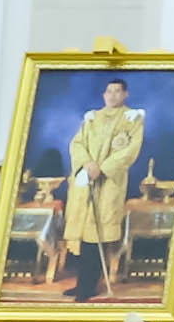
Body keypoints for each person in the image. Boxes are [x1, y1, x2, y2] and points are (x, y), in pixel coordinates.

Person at [64, 78, 150, 302]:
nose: (112, 95)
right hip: (87, 179)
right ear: (104, 95)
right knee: (83, 235)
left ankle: (88, 286)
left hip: (109, 183)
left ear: (125, 95)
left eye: (117, 91)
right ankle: (81, 282)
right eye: (109, 91)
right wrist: (87, 164)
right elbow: (77, 143)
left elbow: (131, 150)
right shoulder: (92, 118)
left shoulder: (132, 118)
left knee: (97, 235)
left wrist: (102, 169)